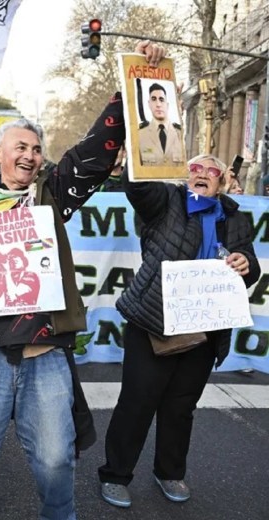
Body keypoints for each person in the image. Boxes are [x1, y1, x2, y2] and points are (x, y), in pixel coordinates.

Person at [0, 39, 167, 520]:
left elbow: (95, 152)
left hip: (45, 354)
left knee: (54, 459)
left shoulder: (52, 195)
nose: (29, 155)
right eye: (19, 148)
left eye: (35, 148)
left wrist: (130, 87)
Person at [97, 153, 259, 508]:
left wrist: (246, 263)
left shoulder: (234, 218)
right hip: (154, 322)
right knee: (137, 403)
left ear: (222, 181)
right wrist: (138, 151)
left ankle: (169, 471)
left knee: (181, 407)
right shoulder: (167, 201)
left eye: (210, 170)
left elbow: (250, 263)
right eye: (194, 169)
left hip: (204, 330)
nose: (201, 174)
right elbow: (137, 189)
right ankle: (115, 475)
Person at [138, 82, 183, 166]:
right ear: (149, 104)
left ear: (167, 105)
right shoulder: (139, 135)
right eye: (154, 99)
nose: (158, 104)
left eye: (161, 100)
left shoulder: (180, 134)